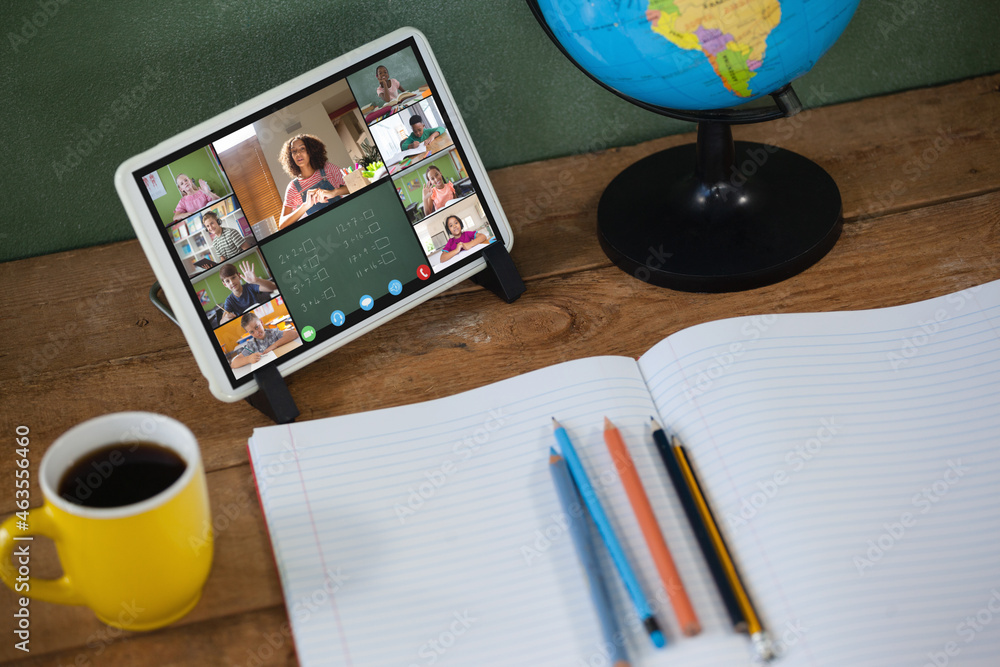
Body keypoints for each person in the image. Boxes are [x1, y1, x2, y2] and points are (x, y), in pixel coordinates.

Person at [278, 134, 350, 229]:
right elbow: (282, 225)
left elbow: (354, 186)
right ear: (291, 157)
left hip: (346, 220)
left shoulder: (328, 168)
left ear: (310, 151)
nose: (298, 154)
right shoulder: (293, 187)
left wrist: (334, 192)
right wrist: (305, 206)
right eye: (294, 151)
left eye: (302, 148)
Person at [230, 312, 298, 369]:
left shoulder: (273, 333)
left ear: (261, 322)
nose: (256, 332)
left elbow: (294, 333)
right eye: (252, 332)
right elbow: (233, 364)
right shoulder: (251, 345)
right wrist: (248, 359)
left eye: (257, 327)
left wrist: (274, 345)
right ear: (249, 333)